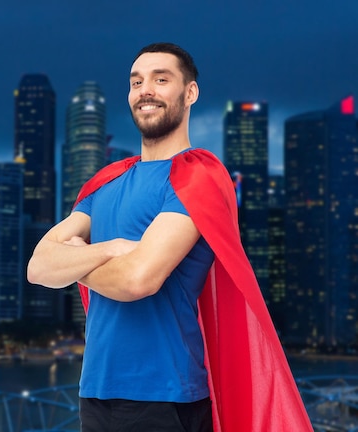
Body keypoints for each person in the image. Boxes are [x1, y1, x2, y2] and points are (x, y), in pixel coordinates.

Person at [27, 42, 313, 432]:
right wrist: (110, 249)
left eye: (161, 80)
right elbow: (38, 267)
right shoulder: (105, 183)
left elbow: (138, 279)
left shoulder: (199, 178)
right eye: (136, 81)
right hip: (94, 393)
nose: (146, 90)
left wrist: (76, 258)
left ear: (190, 93)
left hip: (165, 398)